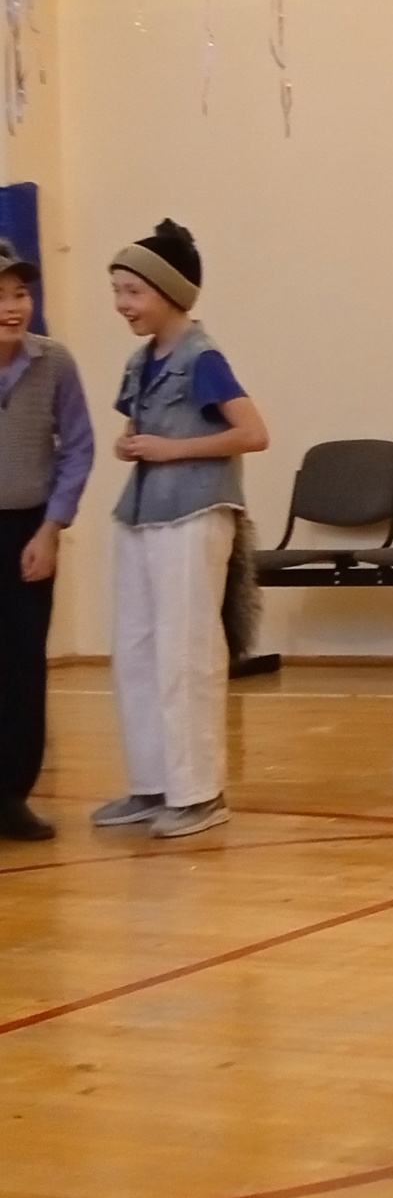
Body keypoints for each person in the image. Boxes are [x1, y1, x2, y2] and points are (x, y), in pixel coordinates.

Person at [93, 221, 269, 841]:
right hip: (140, 514)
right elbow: (137, 430)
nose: (122, 305)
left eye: (132, 291)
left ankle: (198, 793)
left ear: (169, 292)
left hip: (194, 513)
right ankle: (151, 784)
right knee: (137, 651)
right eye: (117, 290)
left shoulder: (203, 356)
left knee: (186, 652)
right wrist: (133, 446)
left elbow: (253, 433)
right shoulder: (141, 361)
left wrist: (171, 450)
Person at [0, 241, 94, 843]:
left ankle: (11, 794)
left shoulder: (54, 361)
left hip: (27, 530)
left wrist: (51, 528)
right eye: (1, 295)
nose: (13, 307)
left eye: (20, 293)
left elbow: (79, 446)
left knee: (22, 664)